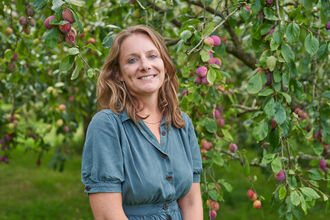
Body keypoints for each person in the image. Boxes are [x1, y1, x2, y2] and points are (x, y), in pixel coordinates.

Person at [81, 25, 203, 220]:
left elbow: (191, 201)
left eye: (152, 56)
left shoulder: (182, 123)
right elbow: (107, 215)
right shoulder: (107, 126)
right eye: (132, 60)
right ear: (119, 74)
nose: (145, 65)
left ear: (164, 64)